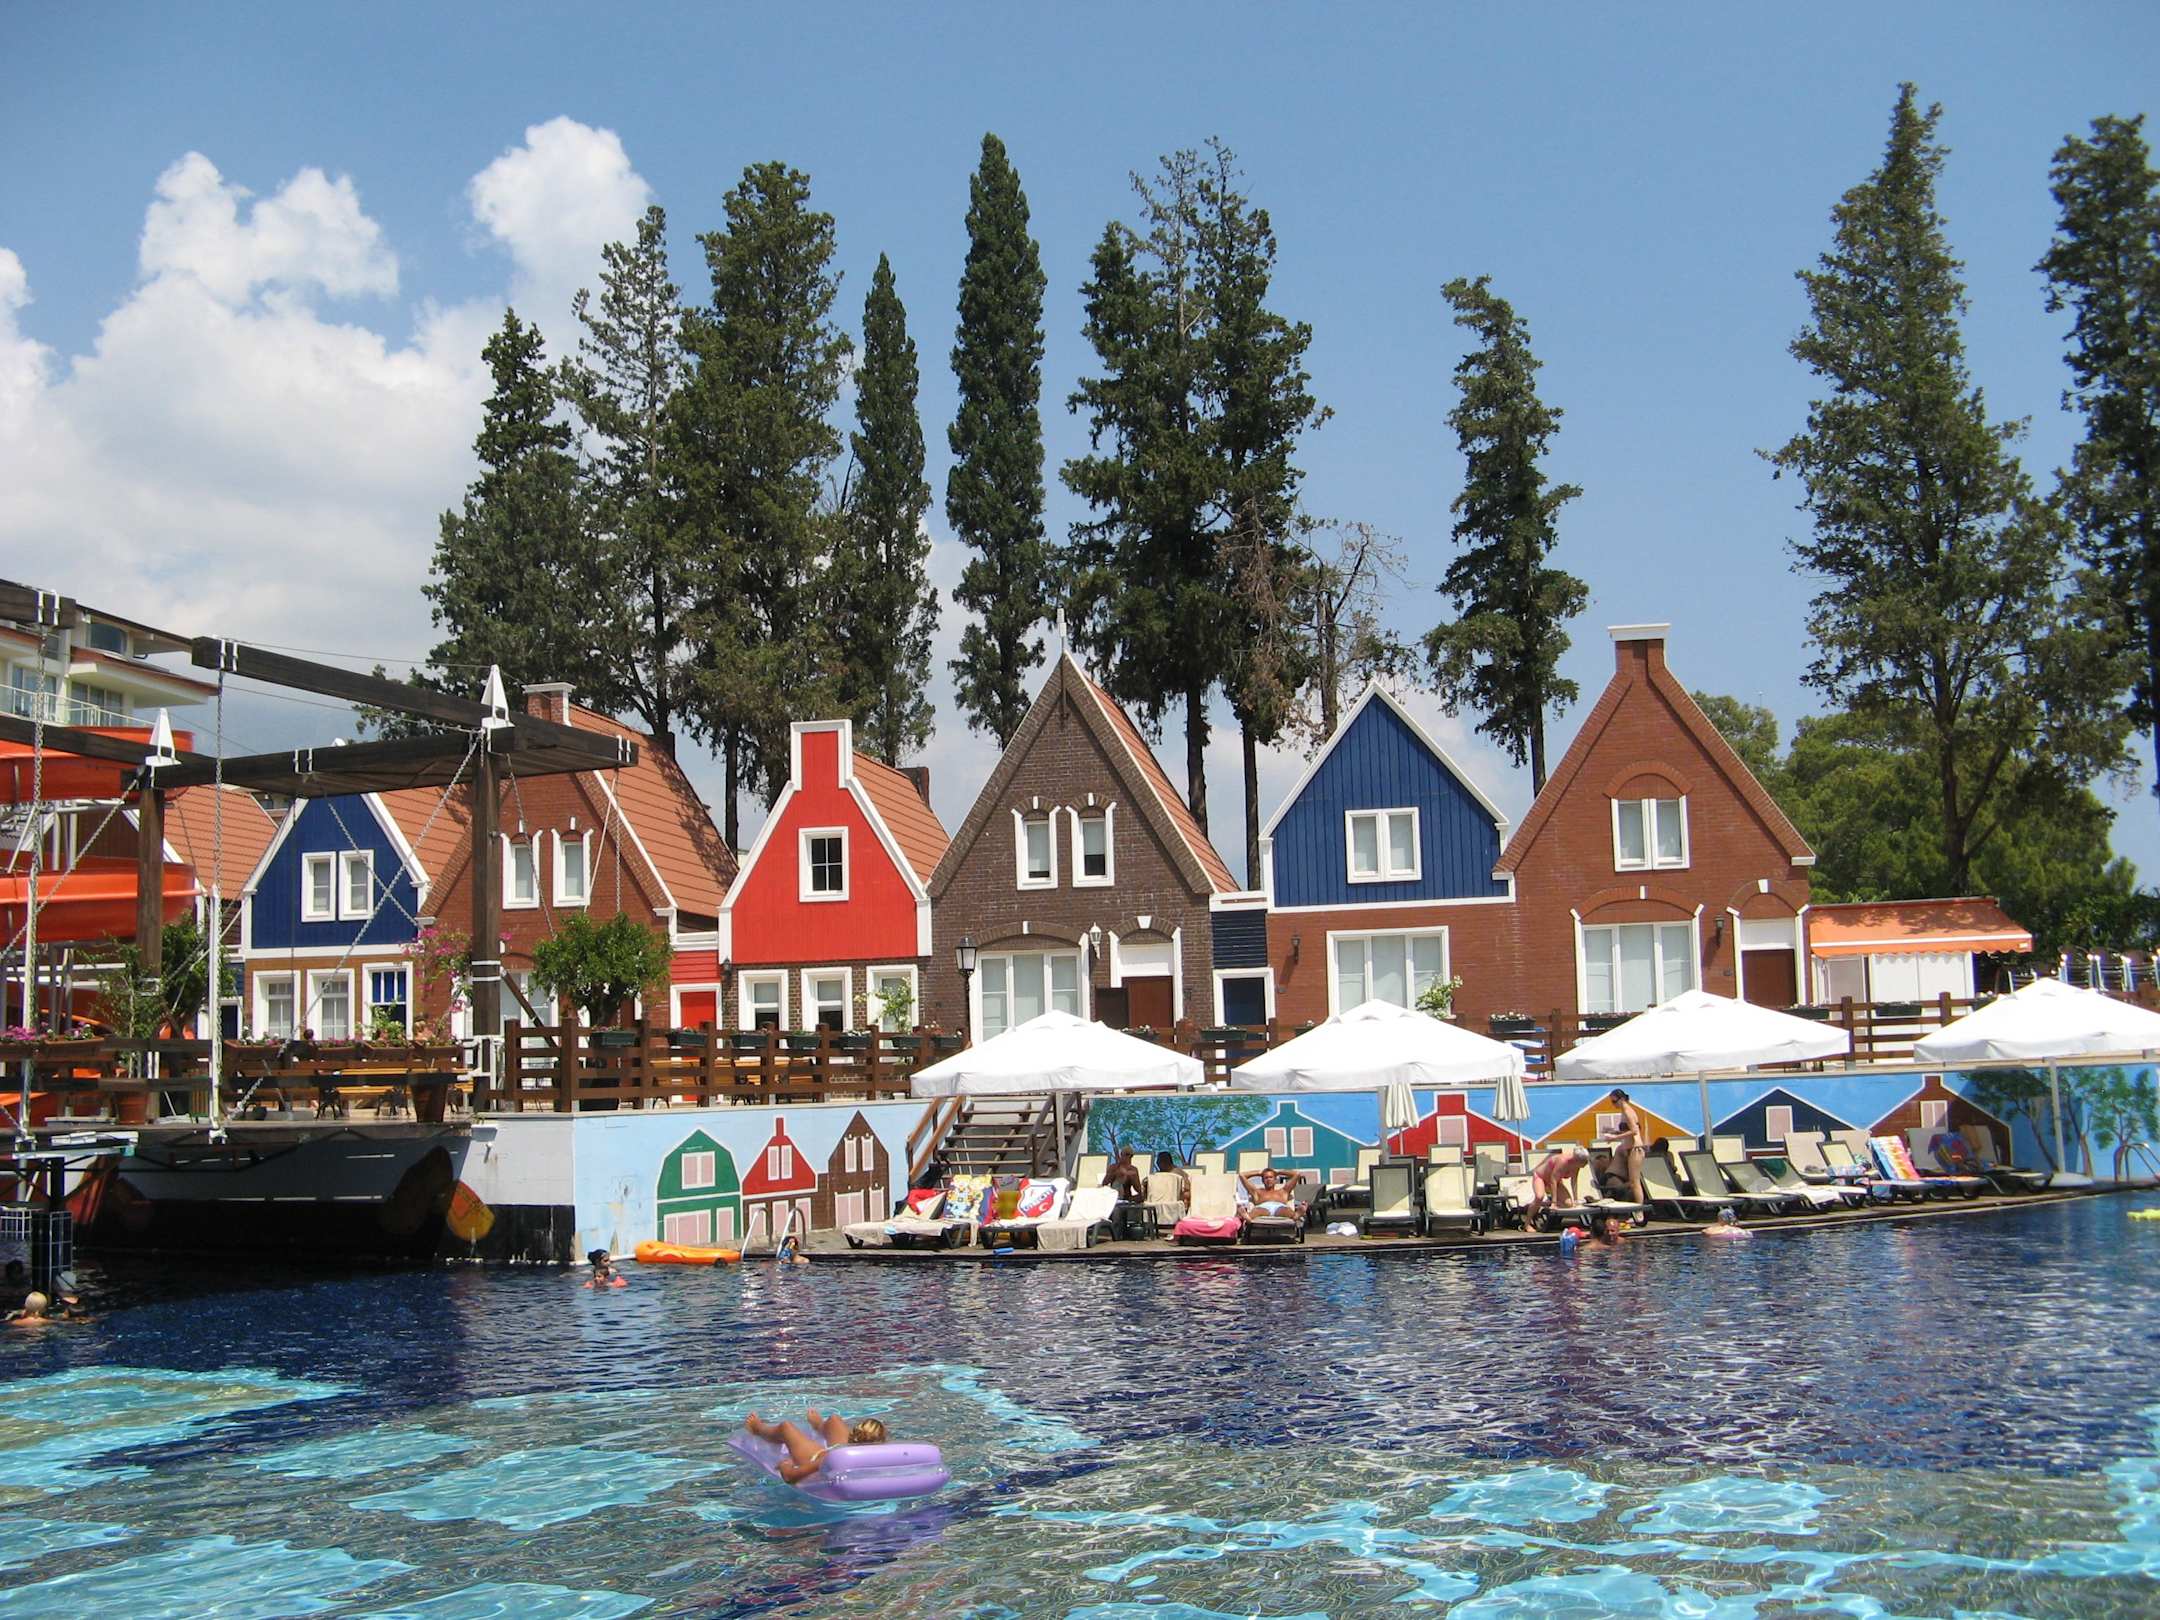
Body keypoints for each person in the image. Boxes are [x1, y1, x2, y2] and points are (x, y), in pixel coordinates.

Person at [744, 1409, 892, 1485]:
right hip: (831, 1453)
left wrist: (785, 1465)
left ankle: (758, 1428)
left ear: (854, 1434)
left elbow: (790, 1477)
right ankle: (819, 1426)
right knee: (834, 1420)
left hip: (816, 1457)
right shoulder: (882, 1456)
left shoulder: (835, 1458)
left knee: (786, 1427)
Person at [1524, 1147, 1588, 1227]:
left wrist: (1576, 1199)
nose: (1586, 1164)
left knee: (1569, 1204)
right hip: (1541, 1177)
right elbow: (1553, 1180)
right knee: (1539, 1196)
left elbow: (1574, 1181)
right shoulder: (1563, 1161)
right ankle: (1527, 1223)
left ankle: (1539, 1206)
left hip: (1555, 1181)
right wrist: (1554, 1202)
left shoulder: (1576, 1165)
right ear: (1577, 1160)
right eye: (1584, 1162)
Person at [1607, 1090, 1651, 1204]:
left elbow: (1635, 1130)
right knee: (1632, 1182)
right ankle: (1637, 1206)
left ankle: (1639, 1209)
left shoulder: (1628, 1111)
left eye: (1614, 1101)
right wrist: (1615, 1133)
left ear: (1621, 1099)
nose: (1613, 1104)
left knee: (1635, 1182)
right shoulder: (1623, 1112)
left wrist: (1614, 1138)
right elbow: (1628, 1130)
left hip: (1635, 1148)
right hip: (1630, 1148)